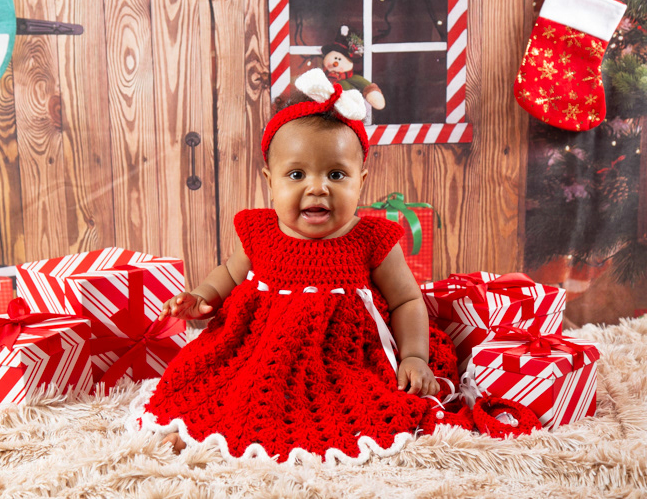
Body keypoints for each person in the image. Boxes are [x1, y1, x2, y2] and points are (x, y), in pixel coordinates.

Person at [135, 68, 459, 464]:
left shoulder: (370, 239)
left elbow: (407, 300)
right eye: (296, 174)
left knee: (367, 406)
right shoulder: (262, 231)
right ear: (271, 181)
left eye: (336, 174)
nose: (317, 187)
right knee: (218, 391)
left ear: (362, 181)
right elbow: (231, 273)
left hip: (343, 360)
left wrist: (414, 356)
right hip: (257, 354)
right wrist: (203, 296)